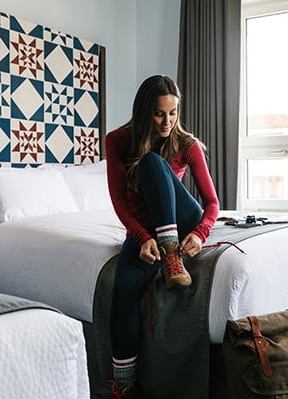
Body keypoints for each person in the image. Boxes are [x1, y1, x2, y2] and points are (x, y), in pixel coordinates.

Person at [104, 75, 220, 397]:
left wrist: (200, 233)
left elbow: (211, 203)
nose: (167, 122)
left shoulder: (187, 145)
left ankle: (172, 255)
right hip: (145, 231)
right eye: (159, 114)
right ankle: (124, 386)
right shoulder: (117, 141)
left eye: (173, 113)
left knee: (154, 163)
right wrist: (142, 238)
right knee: (124, 288)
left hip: (182, 223)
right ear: (144, 112)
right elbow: (120, 202)